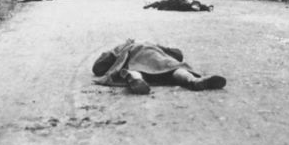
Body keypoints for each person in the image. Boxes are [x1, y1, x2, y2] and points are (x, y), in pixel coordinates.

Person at [92, 39, 226, 95]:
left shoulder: (125, 47)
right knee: (175, 69)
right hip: (160, 60)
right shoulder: (154, 45)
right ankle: (194, 81)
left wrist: (112, 53)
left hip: (136, 58)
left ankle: (136, 79)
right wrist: (162, 47)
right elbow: (179, 55)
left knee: (135, 70)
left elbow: (98, 67)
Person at [143, 0, 213, 12]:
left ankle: (204, 7)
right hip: (181, 2)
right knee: (186, 5)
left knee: (186, 5)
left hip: (178, 2)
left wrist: (148, 6)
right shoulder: (163, 4)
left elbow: (157, 3)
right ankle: (205, 7)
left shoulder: (162, 3)